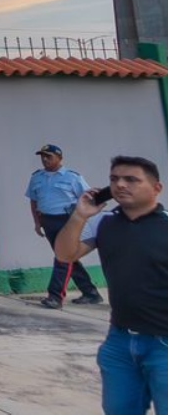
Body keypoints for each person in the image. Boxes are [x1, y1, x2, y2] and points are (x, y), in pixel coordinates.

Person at [53, 155, 167, 415]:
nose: (120, 185)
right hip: (120, 341)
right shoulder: (105, 223)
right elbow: (65, 254)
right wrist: (79, 215)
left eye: (131, 180)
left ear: (156, 188)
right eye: (114, 179)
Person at [26, 143, 102, 309]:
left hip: (67, 221)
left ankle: (55, 296)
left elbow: (89, 198)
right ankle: (90, 292)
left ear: (60, 158)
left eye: (49, 156)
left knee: (62, 258)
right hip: (48, 221)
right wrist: (37, 223)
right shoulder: (37, 177)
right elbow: (33, 201)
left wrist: (85, 220)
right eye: (42, 157)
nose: (45, 160)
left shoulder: (72, 177)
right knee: (68, 258)